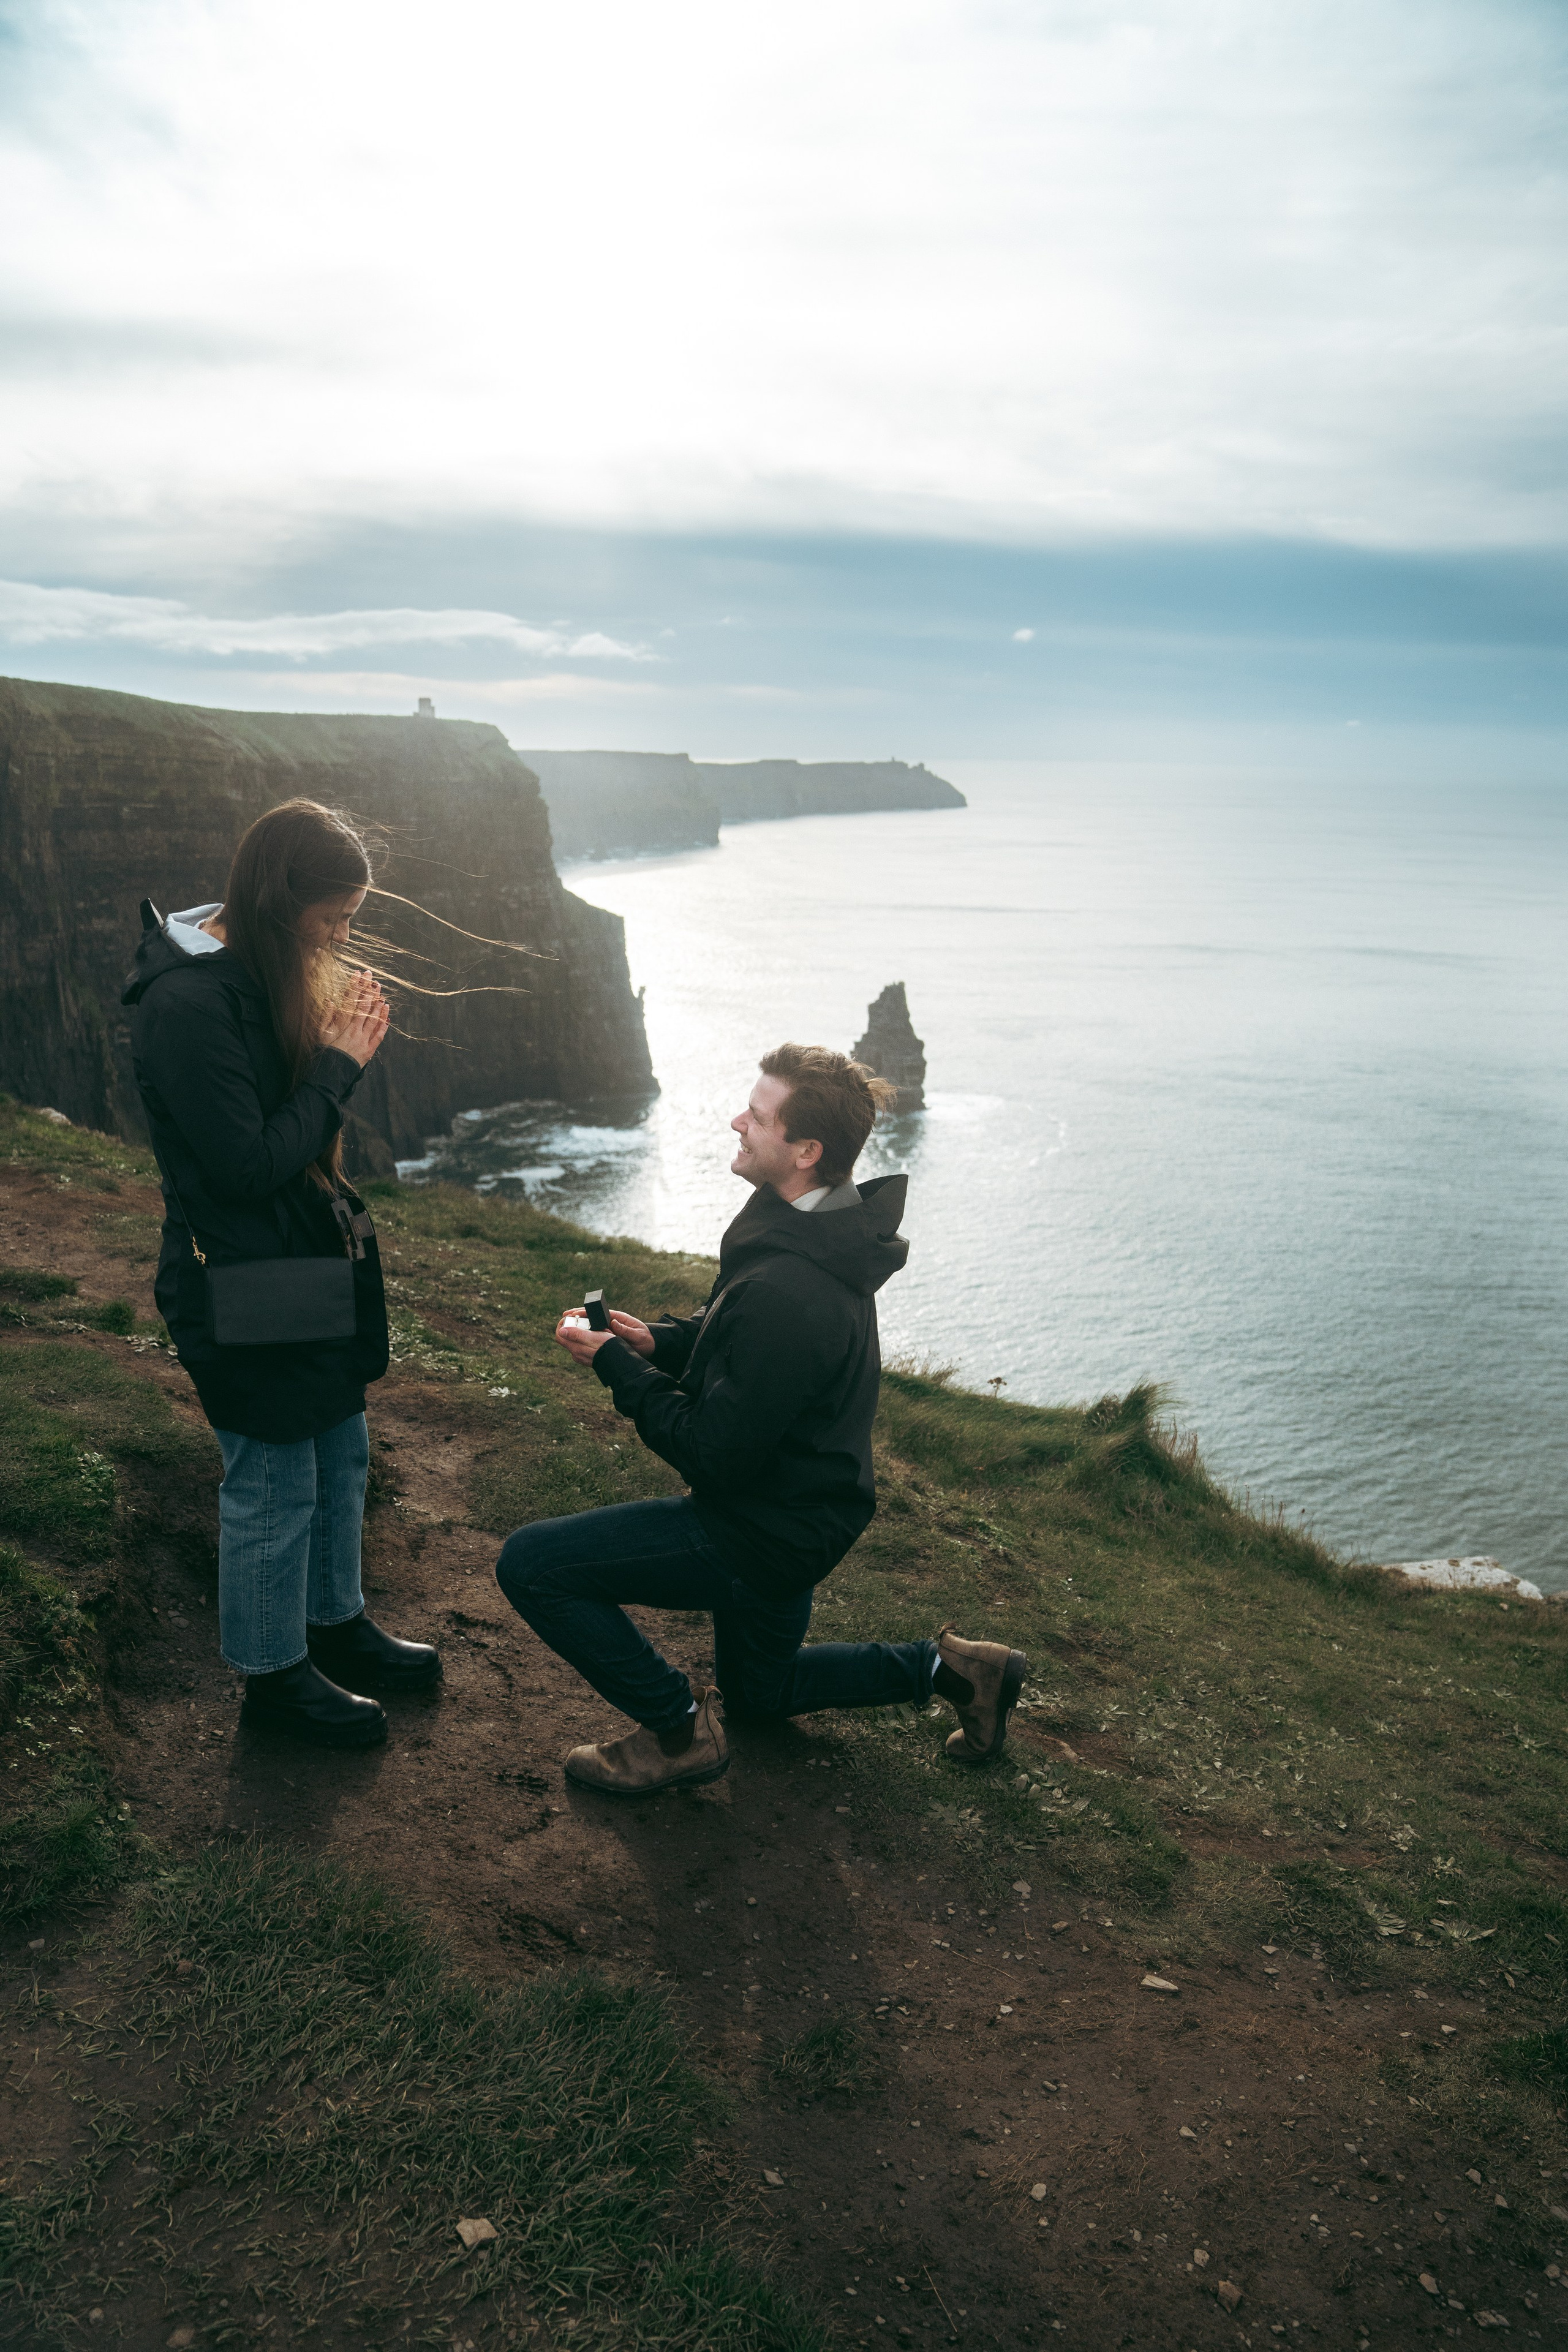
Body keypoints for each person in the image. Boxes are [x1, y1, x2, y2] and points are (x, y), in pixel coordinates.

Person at [497, 1042, 1027, 1795]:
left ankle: (676, 1732)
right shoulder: (815, 1224)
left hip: (760, 1531)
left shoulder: (793, 1286)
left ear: (806, 1150)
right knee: (760, 1695)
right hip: (804, 1506)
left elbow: (714, 1453)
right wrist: (663, 1342)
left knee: (533, 1565)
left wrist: (618, 1367)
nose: (737, 1121)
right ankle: (954, 1670)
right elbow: (750, 1354)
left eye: (759, 1115)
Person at [123, 798, 441, 1750]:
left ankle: (333, 1624)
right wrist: (338, 1066)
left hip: (298, 1265)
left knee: (340, 1452)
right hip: (240, 1283)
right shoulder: (187, 1004)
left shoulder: (256, 964)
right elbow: (247, 1164)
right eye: (334, 920)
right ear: (277, 901)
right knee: (272, 1481)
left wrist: (328, 1043)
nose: (342, 938)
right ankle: (273, 1678)